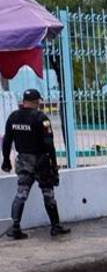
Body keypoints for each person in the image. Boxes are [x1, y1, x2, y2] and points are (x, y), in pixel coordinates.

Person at [2, 89, 70, 239]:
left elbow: (7, 141)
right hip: (41, 161)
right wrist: (54, 164)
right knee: (48, 194)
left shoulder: (13, 117)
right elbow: (48, 143)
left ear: (24, 101)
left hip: (23, 161)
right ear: (36, 102)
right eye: (38, 101)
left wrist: (6, 160)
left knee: (21, 194)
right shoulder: (41, 118)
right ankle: (55, 226)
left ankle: (15, 228)